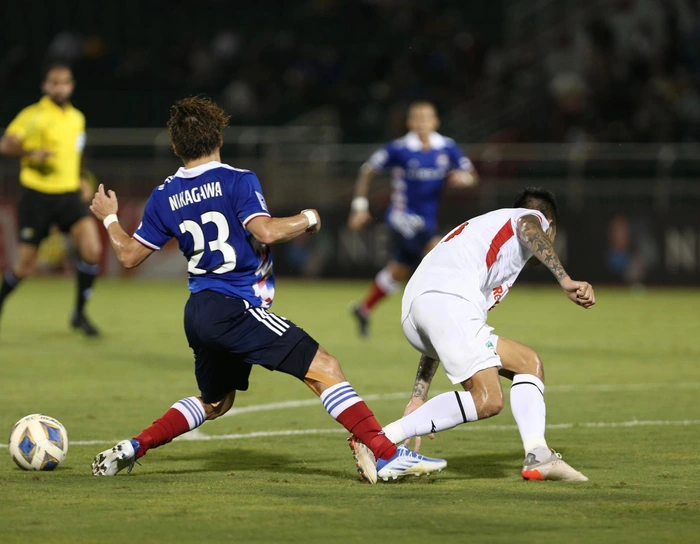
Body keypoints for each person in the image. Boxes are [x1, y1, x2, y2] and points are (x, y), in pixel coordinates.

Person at [89, 96, 446, 482]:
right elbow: (267, 231)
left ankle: (134, 446)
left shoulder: (164, 196)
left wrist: (109, 217)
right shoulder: (238, 179)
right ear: (219, 138)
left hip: (199, 311)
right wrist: (309, 217)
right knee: (325, 367)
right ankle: (385, 453)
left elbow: (127, 255)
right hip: (235, 307)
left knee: (215, 401)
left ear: (176, 147)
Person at [349, 187, 595, 483]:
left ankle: (538, 454)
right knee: (488, 399)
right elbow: (529, 227)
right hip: (445, 301)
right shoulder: (529, 218)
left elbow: (443, 330)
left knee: (528, 362)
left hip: (419, 311)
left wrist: (419, 395)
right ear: (550, 225)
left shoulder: (483, 241)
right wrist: (565, 279)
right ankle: (377, 441)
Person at [348, 101, 478, 337]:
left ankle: (364, 308)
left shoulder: (446, 147)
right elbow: (368, 170)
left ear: (436, 121)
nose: (422, 123)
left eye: (427, 118)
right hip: (402, 216)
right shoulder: (399, 148)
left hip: (428, 217)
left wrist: (464, 179)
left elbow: (471, 176)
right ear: (409, 123)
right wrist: (359, 207)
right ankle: (447, 321)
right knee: (440, 254)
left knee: (398, 270)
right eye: (417, 118)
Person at [0, 62, 102, 336]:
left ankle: (79, 314)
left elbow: (74, 154)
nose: (60, 87)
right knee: (24, 266)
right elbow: (6, 144)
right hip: (37, 196)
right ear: (45, 86)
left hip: (68, 195)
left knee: (92, 249)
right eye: (54, 83)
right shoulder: (33, 115)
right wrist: (30, 153)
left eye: (65, 82)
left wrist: (81, 179)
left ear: (71, 86)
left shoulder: (77, 118)